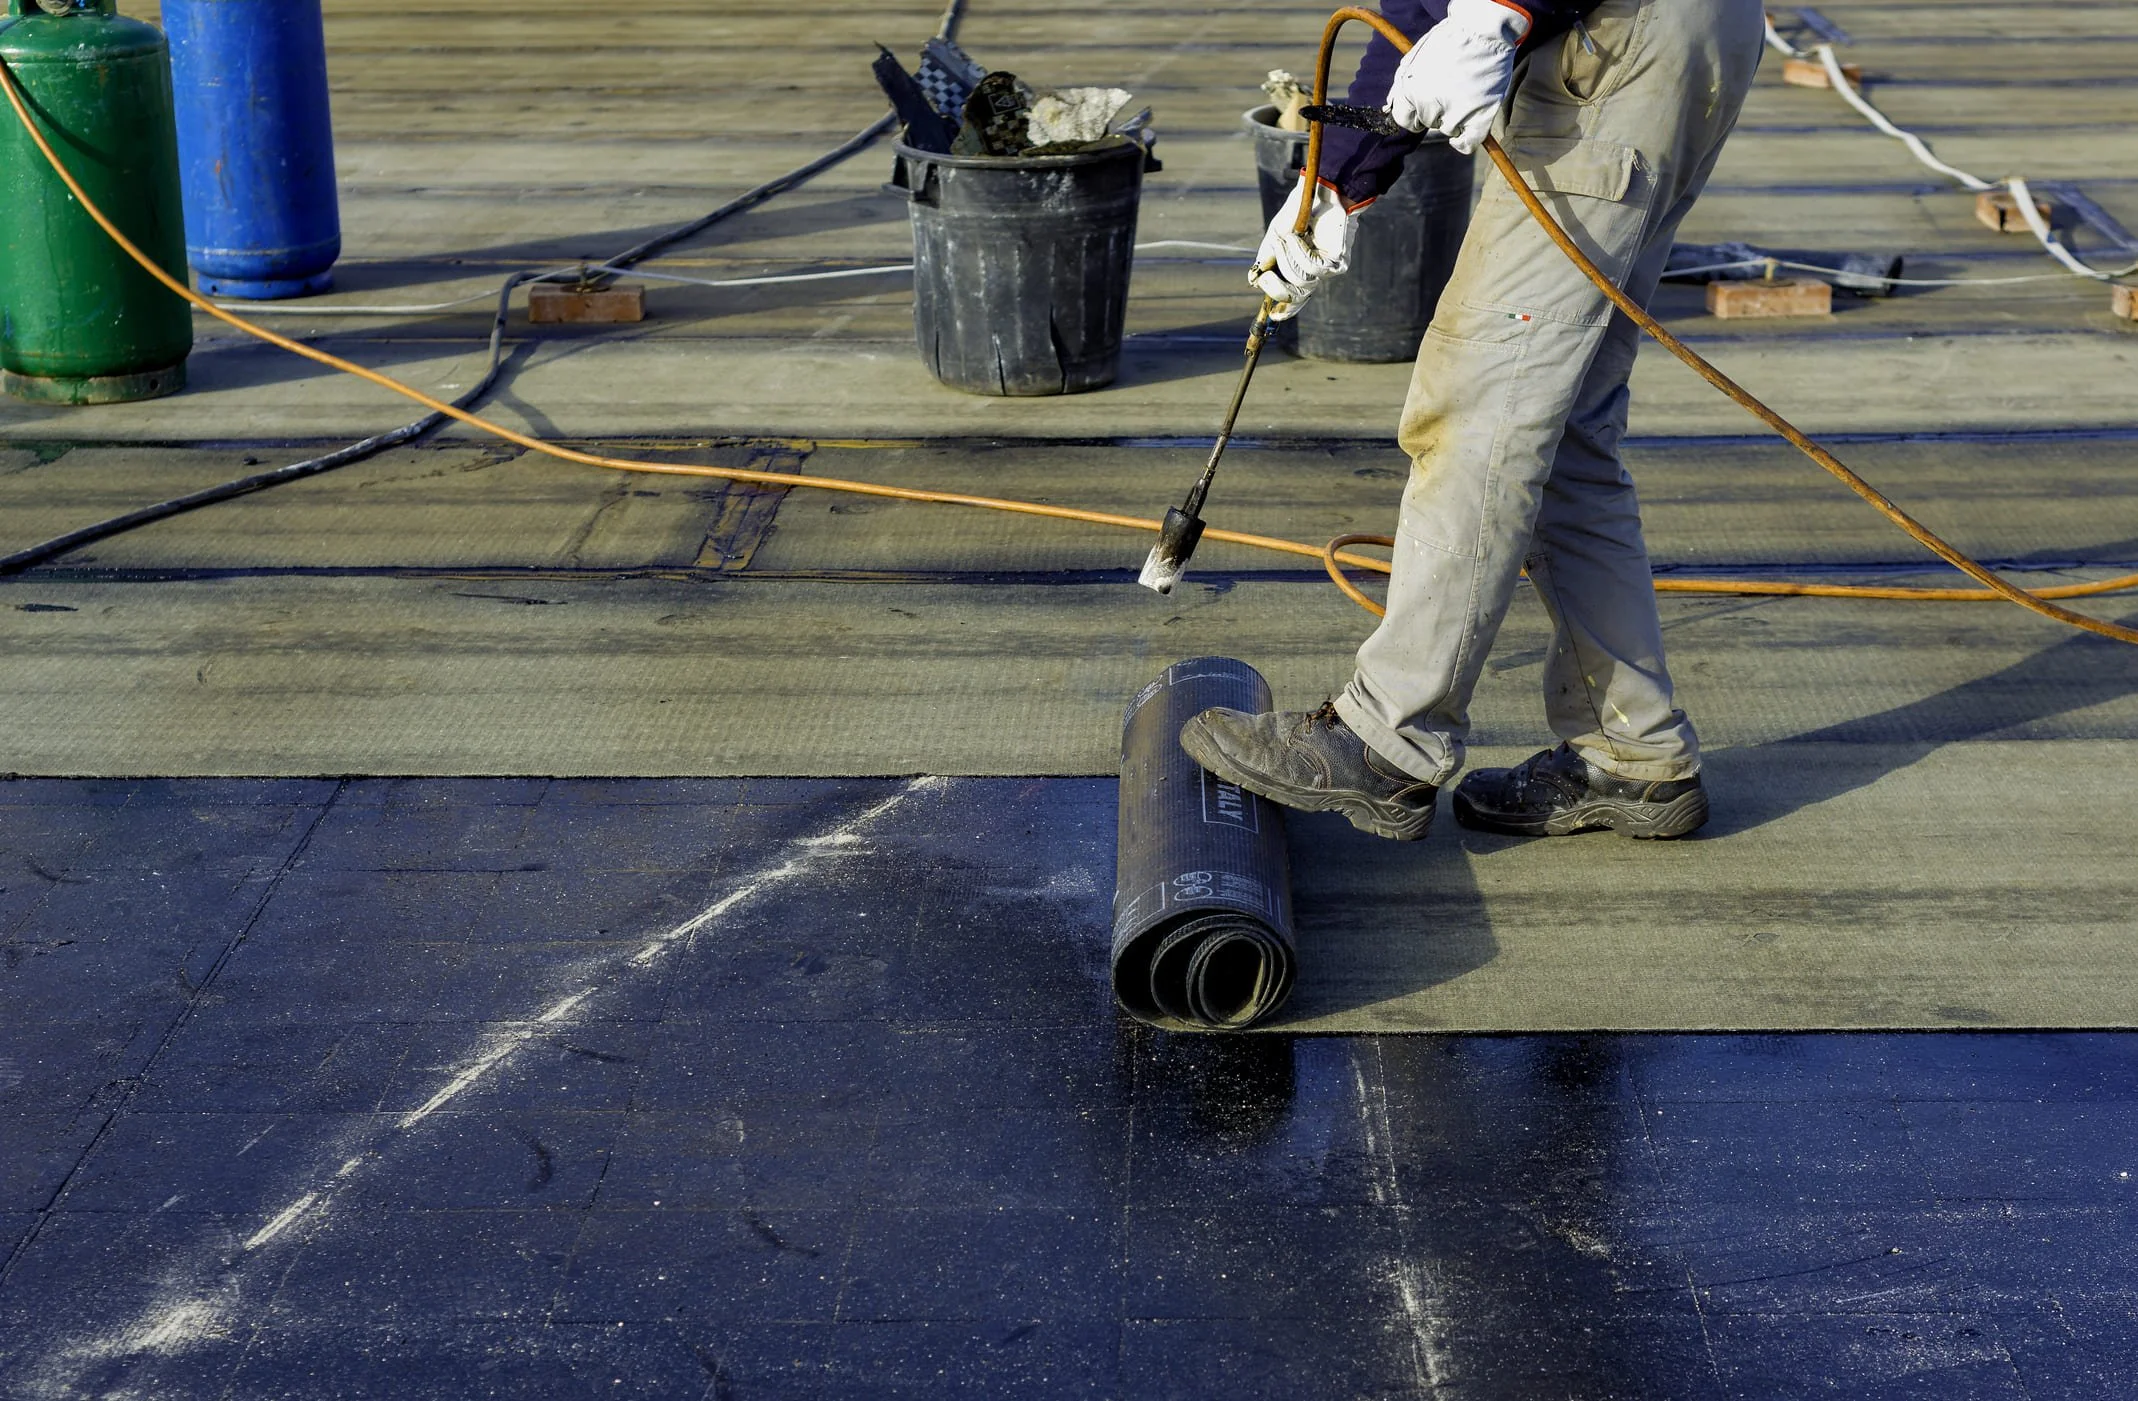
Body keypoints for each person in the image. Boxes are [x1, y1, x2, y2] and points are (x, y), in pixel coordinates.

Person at [1182, 0, 1765, 841]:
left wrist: (1504, 8)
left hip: (1620, 38)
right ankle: (1632, 748)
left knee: (1478, 402)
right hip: (1687, 31)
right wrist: (1337, 181)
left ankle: (1389, 737)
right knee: (1563, 423)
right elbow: (1417, 11)